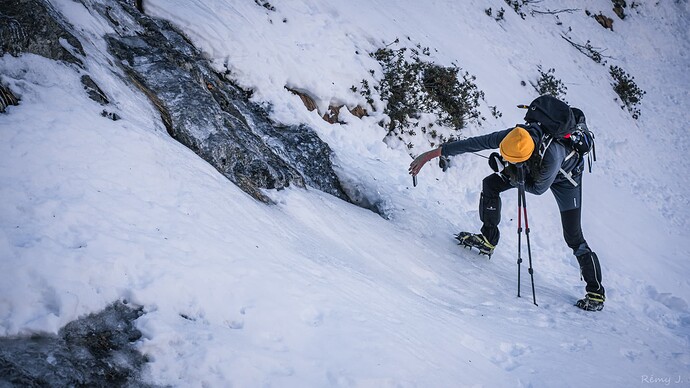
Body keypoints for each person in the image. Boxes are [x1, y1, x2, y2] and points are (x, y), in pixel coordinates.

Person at [408, 95, 605, 311]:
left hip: (566, 180)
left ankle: (595, 292)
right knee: (491, 184)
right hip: (533, 167)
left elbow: (538, 188)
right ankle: (488, 238)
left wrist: (505, 169)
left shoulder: (552, 155)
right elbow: (476, 143)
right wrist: (431, 154)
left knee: (573, 236)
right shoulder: (516, 136)